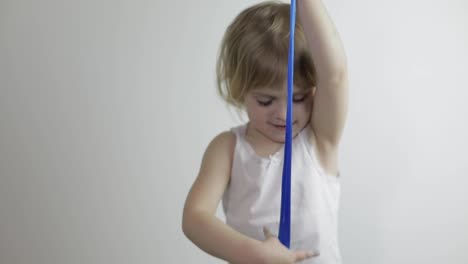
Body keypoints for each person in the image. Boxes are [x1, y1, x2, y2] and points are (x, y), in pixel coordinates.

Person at [182, 1, 348, 263]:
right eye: (266, 101)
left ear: (314, 90)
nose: (284, 114)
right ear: (240, 90)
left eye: (298, 98)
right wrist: (253, 252)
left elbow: (335, 74)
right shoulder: (227, 148)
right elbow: (194, 217)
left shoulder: (319, 139)